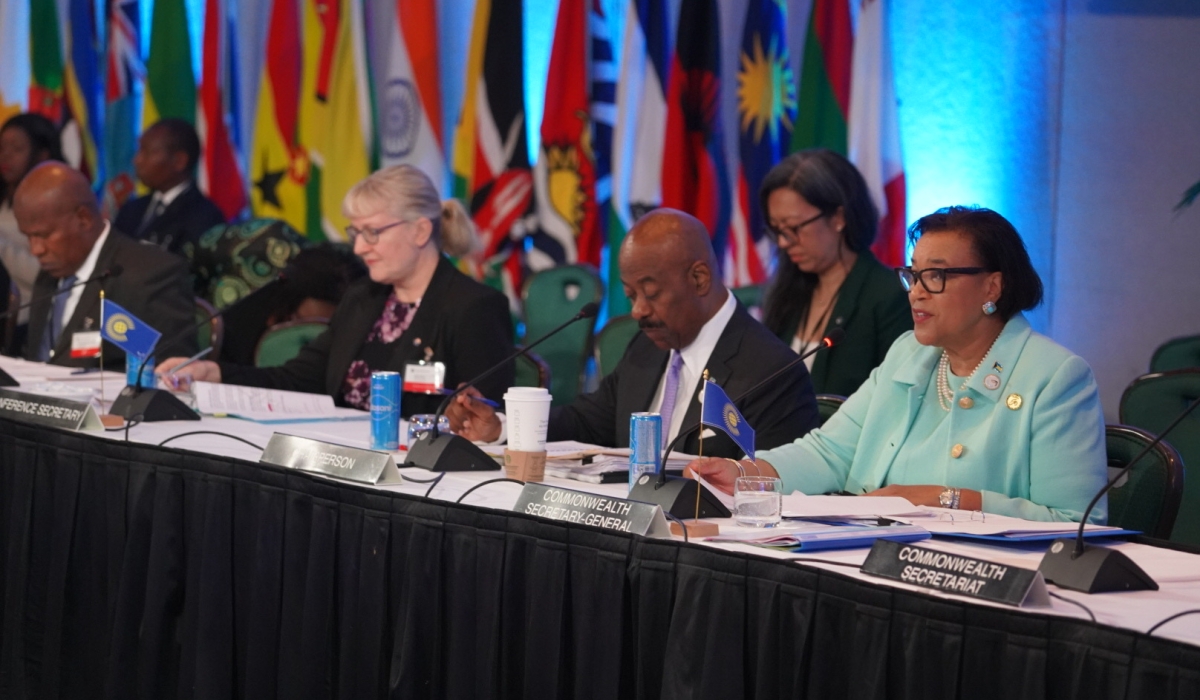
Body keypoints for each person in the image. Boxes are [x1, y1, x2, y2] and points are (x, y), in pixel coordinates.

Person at [688, 206, 1107, 523]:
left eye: (936, 277)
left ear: (992, 286)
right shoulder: (909, 353)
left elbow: (1073, 523)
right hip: (872, 557)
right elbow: (830, 451)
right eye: (913, 274)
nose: (917, 292)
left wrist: (941, 499)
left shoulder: (1055, 378)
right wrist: (745, 473)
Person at [449, 208, 821, 457]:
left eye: (651, 292)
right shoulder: (647, 346)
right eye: (630, 295)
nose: (638, 311)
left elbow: (771, 487)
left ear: (699, 278)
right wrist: (499, 427)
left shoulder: (772, 372)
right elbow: (588, 420)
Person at [157, 165, 514, 417]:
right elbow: (298, 379)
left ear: (420, 231)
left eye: (372, 233)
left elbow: (483, 419)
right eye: (355, 234)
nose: (359, 249)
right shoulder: (364, 297)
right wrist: (214, 374)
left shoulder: (474, 307)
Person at [760, 149, 911, 396]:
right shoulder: (788, 290)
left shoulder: (889, 297)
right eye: (777, 230)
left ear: (839, 218)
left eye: (793, 228)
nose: (783, 243)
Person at [14, 162, 196, 367]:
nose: (35, 249)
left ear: (83, 219)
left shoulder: (149, 276)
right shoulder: (51, 272)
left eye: (43, 235)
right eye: (28, 237)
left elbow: (171, 369)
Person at [113, 118, 226, 256]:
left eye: (146, 152)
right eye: (139, 150)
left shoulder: (204, 216)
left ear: (179, 161)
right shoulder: (131, 210)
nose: (137, 160)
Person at [0, 113, 64, 336]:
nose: (5, 156)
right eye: (2, 148)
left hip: (28, 322)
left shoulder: (54, 203)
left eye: (16, 149)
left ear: (42, 154)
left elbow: (47, 275)